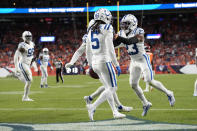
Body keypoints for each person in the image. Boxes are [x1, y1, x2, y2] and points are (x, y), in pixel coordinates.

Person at [114, 14, 175, 116]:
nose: (124, 26)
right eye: (123, 24)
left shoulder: (139, 32)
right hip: (133, 61)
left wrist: (118, 38)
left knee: (149, 81)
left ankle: (169, 93)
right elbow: (116, 44)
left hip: (143, 59)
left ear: (133, 24)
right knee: (133, 85)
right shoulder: (122, 33)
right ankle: (145, 103)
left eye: (126, 24)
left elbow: (130, 41)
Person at [65, 32, 132, 112]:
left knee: (108, 86)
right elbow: (80, 51)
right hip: (101, 65)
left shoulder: (94, 36)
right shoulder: (98, 35)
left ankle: (90, 98)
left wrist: (72, 62)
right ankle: (117, 108)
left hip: (98, 65)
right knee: (111, 87)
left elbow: (80, 51)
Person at [85, 8, 126, 121]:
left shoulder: (90, 30)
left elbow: (88, 49)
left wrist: (90, 64)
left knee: (108, 88)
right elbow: (110, 47)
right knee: (113, 88)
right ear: (105, 17)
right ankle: (92, 106)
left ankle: (114, 112)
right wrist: (116, 63)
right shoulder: (107, 28)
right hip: (105, 61)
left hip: (95, 62)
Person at [14, 31, 35, 101]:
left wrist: (33, 64)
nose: (29, 38)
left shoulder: (32, 44)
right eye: (27, 37)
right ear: (23, 37)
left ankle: (19, 76)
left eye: (29, 36)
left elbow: (31, 56)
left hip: (28, 64)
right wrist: (16, 67)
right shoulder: (22, 45)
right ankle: (25, 97)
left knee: (29, 80)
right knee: (29, 81)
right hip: (23, 63)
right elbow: (16, 56)